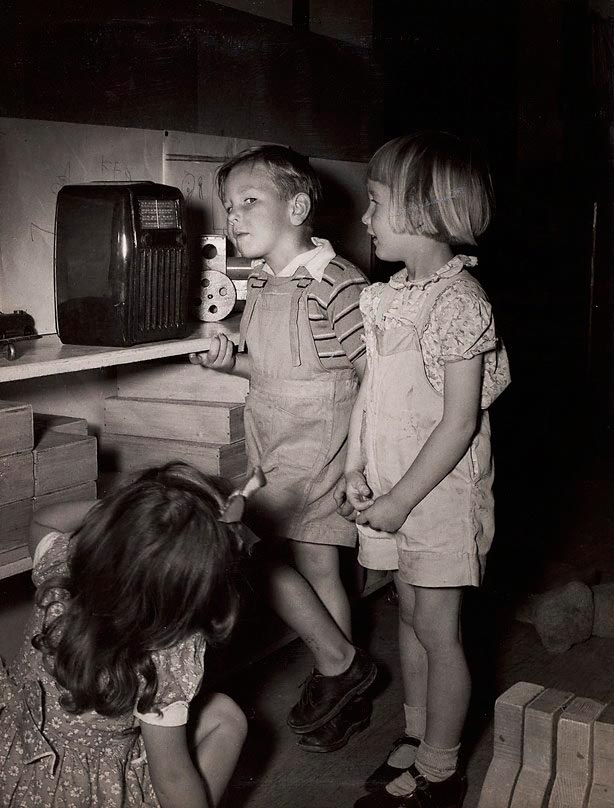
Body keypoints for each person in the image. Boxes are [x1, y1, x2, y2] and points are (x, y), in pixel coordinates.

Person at [335, 131, 511, 808]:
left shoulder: (460, 301)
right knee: (407, 617)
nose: (365, 217)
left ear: (421, 213)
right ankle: (416, 734)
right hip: (388, 488)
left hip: (436, 496)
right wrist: (355, 468)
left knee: (438, 628)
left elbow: (460, 421)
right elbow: (371, 394)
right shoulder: (385, 297)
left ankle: (440, 770)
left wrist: (401, 499)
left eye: (375, 203)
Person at [189, 144, 377, 752]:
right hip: (271, 439)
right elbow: (268, 368)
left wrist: (362, 461)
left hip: (321, 443)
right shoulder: (263, 282)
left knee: (256, 549)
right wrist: (228, 362)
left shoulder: (336, 282)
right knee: (312, 564)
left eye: (249, 202)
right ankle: (343, 678)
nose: (234, 218)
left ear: (297, 207)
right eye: (228, 206)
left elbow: (376, 373)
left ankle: (340, 667)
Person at [0, 462, 252, 808]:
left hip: (17, 766)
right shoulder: (163, 660)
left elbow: (43, 520)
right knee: (227, 716)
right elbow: (172, 781)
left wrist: (117, 507)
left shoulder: (59, 577)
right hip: (88, 793)